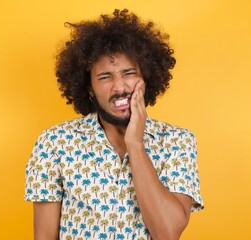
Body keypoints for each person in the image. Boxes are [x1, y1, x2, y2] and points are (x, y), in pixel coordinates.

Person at [25, 9, 204, 240]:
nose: (120, 87)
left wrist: (135, 144)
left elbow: (167, 234)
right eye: (105, 77)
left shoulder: (177, 142)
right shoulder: (55, 143)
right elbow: (44, 236)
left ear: (146, 77)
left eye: (129, 73)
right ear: (89, 87)